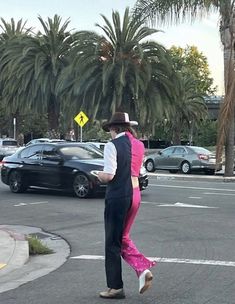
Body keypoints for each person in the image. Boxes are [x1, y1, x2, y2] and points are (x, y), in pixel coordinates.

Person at [98, 112, 156, 299]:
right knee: (122, 238)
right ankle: (142, 270)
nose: (110, 133)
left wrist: (99, 175)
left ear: (114, 128)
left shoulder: (112, 146)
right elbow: (140, 171)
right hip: (135, 195)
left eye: (110, 130)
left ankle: (115, 287)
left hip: (118, 195)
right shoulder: (139, 145)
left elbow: (110, 175)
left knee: (112, 242)